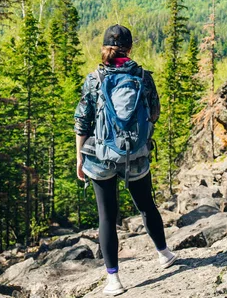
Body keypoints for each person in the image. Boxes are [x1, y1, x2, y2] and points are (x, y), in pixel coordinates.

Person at [74, 24, 177, 296]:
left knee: (107, 217)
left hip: (100, 157)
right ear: (129, 48)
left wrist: (79, 158)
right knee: (146, 205)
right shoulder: (142, 77)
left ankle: (113, 280)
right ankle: (164, 254)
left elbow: (82, 122)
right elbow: (154, 113)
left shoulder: (94, 79)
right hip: (136, 153)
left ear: (104, 48)